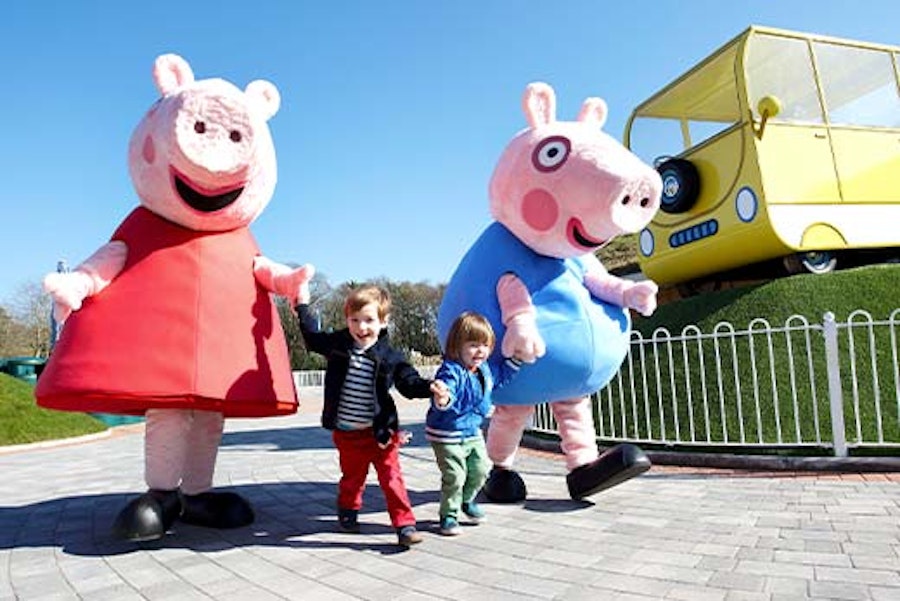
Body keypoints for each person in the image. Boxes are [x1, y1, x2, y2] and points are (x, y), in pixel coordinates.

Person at [295, 284, 447, 547]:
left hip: (381, 433)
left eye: (369, 320)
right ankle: (348, 510)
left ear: (383, 321)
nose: (361, 327)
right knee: (353, 478)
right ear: (347, 320)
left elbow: (408, 381)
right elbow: (312, 337)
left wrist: (430, 388)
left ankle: (405, 525)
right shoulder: (339, 345)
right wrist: (302, 306)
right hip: (347, 432)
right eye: (354, 320)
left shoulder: (389, 355)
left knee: (392, 478)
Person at [427, 311, 522, 535]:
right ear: (457, 346)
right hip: (447, 434)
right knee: (455, 476)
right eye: (472, 345)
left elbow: (501, 376)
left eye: (484, 345)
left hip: (472, 431)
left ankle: (467, 501)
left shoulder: (485, 370)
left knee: (481, 469)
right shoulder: (452, 370)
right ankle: (448, 515)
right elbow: (446, 388)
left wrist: (518, 359)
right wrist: (443, 397)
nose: (479, 351)